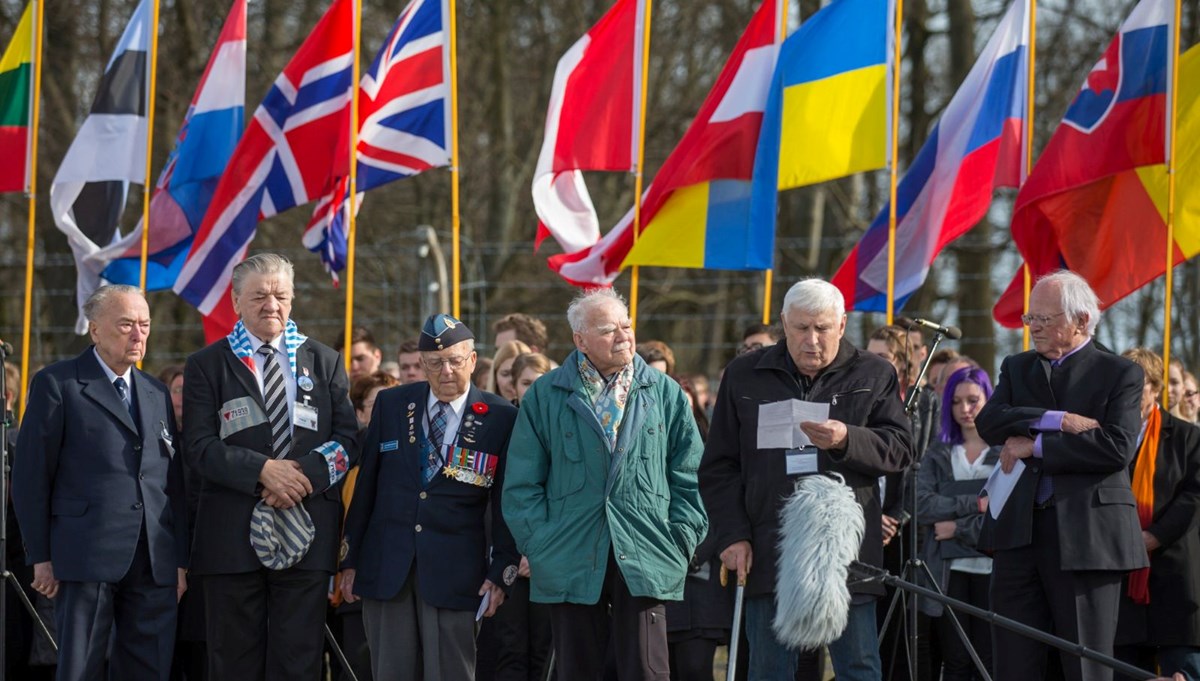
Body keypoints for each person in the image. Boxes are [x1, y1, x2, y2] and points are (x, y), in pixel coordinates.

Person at [700, 278, 914, 681]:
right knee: (769, 670)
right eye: (801, 328)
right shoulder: (745, 374)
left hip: (846, 551)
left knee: (859, 669)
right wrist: (731, 536)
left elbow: (900, 448)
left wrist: (847, 438)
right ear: (783, 323)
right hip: (768, 547)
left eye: (822, 328)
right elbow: (719, 467)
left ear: (842, 324)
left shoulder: (874, 371)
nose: (811, 340)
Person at [503, 288, 708, 680]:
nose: (623, 336)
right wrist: (541, 546)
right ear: (579, 340)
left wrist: (679, 540)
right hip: (568, 556)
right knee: (578, 670)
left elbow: (690, 474)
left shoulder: (664, 393)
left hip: (647, 551)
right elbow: (521, 484)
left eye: (627, 326)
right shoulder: (547, 395)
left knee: (647, 671)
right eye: (608, 329)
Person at [183, 253, 359, 681]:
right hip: (231, 542)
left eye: (280, 295)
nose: (271, 305)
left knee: (298, 661)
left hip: (308, 535)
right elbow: (199, 447)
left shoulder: (325, 361)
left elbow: (348, 442)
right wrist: (263, 470)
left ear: (293, 299)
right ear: (236, 301)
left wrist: (300, 478)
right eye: (259, 296)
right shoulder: (208, 364)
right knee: (233, 661)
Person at [975, 270, 1147, 681]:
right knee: (1015, 661)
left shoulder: (1119, 373)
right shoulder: (1017, 368)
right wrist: (1058, 420)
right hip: (1019, 534)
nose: (1032, 327)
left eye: (1044, 319)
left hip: (1087, 536)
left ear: (1081, 321)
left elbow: (1115, 447)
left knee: (1085, 664)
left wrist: (1033, 445)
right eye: (1029, 318)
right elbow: (990, 422)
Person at [13, 284, 188, 681]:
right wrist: (40, 555)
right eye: (126, 324)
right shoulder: (59, 384)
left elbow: (171, 482)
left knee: (149, 668)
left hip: (154, 561)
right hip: (85, 556)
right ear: (94, 329)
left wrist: (178, 559)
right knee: (81, 669)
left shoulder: (156, 392)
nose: (138, 334)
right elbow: (30, 477)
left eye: (144, 324)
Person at [340, 314, 519, 681]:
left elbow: (506, 502)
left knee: (451, 672)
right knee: (390, 671)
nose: (446, 371)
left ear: (472, 360)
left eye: (455, 360)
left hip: (457, 572)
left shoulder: (501, 417)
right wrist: (350, 557)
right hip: (388, 566)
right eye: (435, 363)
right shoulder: (392, 405)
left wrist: (502, 570)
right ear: (422, 365)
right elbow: (367, 486)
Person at [1113, 349, 1200, 681]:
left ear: (1155, 386)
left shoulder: (1187, 437)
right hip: (1121, 584)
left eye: (1135, 384)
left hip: (1173, 582)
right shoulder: (1108, 438)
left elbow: (1194, 496)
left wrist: (1154, 537)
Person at [916, 367, 999, 681]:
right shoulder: (938, 453)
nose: (965, 409)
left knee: (989, 661)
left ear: (988, 400)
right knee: (956, 661)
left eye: (973, 400)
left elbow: (1004, 514)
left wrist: (956, 527)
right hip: (948, 572)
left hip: (994, 570)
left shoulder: (1005, 452)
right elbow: (923, 506)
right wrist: (977, 502)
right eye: (957, 401)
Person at [665, 377, 736, 681]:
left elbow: (722, 510)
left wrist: (689, 554)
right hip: (658, 584)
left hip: (700, 581)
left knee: (695, 669)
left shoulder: (712, 455)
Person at [492, 351, 555, 681]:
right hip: (509, 556)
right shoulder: (502, 426)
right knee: (510, 646)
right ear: (513, 387)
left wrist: (539, 548)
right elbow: (499, 495)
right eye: (526, 383)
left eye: (540, 382)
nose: (533, 390)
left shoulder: (560, 427)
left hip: (550, 557)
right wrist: (517, 550)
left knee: (546, 650)